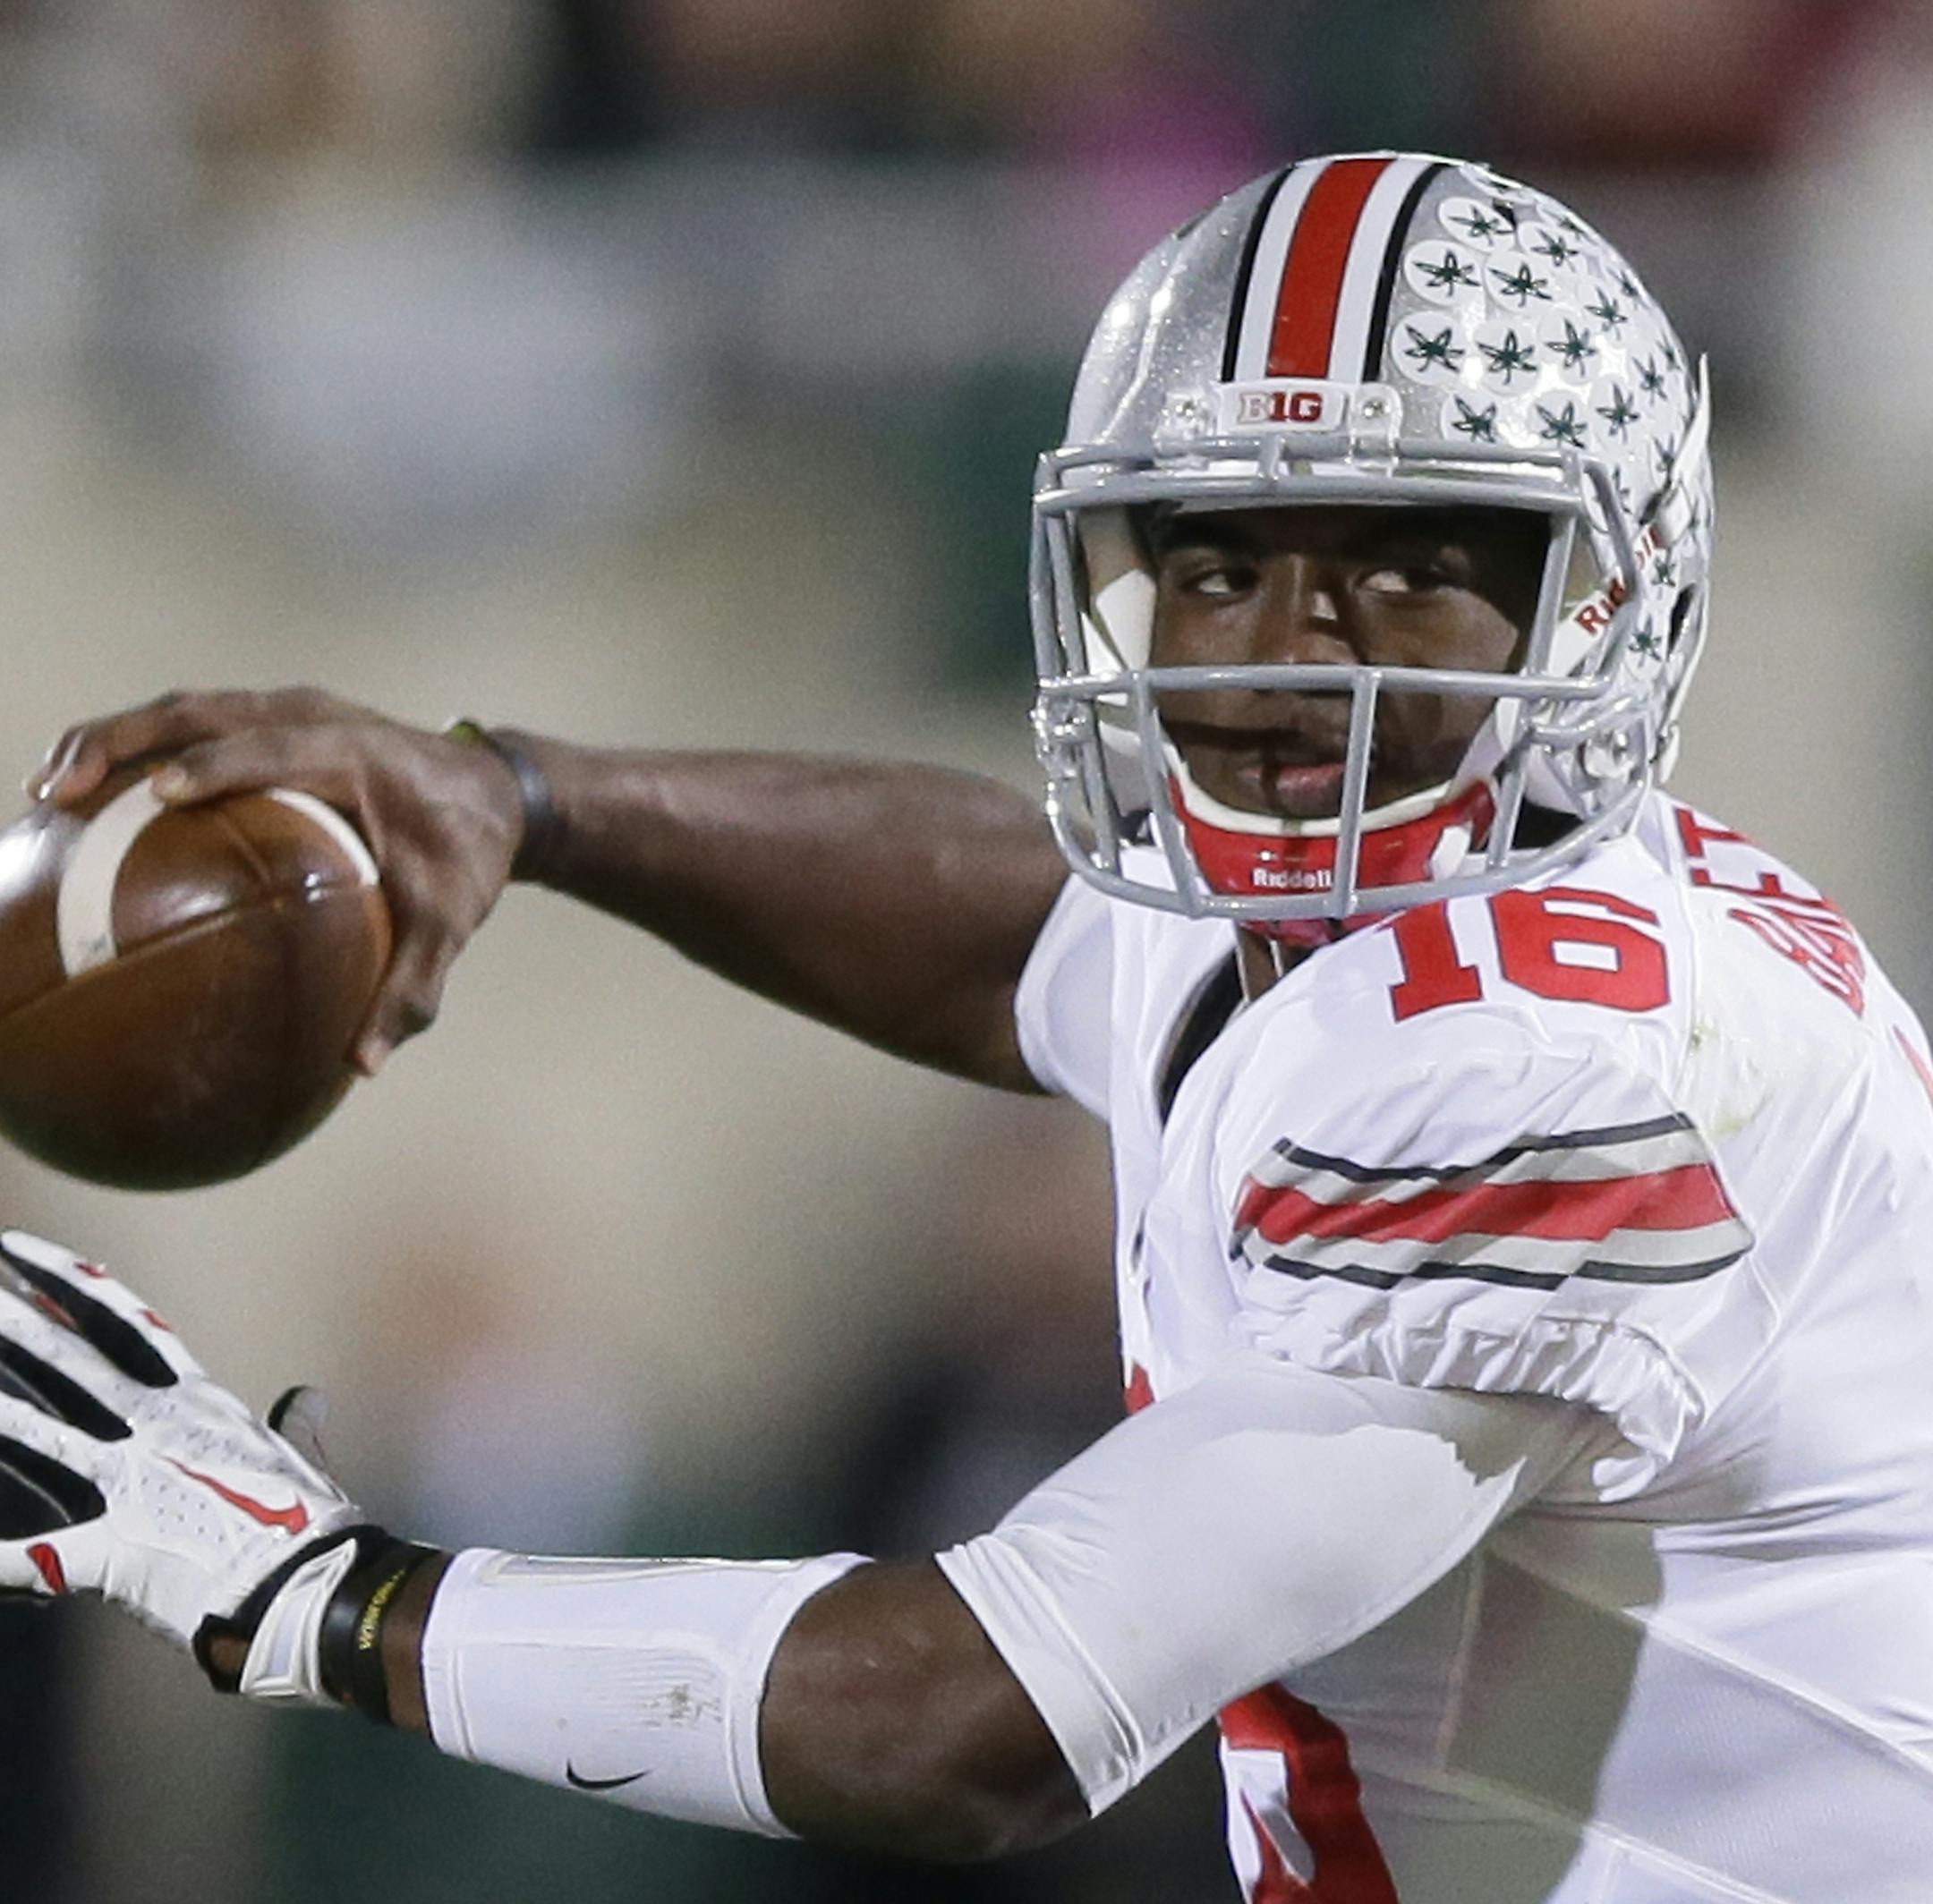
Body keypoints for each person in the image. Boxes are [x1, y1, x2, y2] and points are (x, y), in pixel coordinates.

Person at [5, 152, 1932, 1902]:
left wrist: (317, 1597)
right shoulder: (1440, 900)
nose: (1285, 651)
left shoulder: (1558, 1084)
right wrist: (525, 799)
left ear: (1608, 597)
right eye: (1216, 561)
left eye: (1411, 566)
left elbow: (985, 1717)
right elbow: (1035, 927)